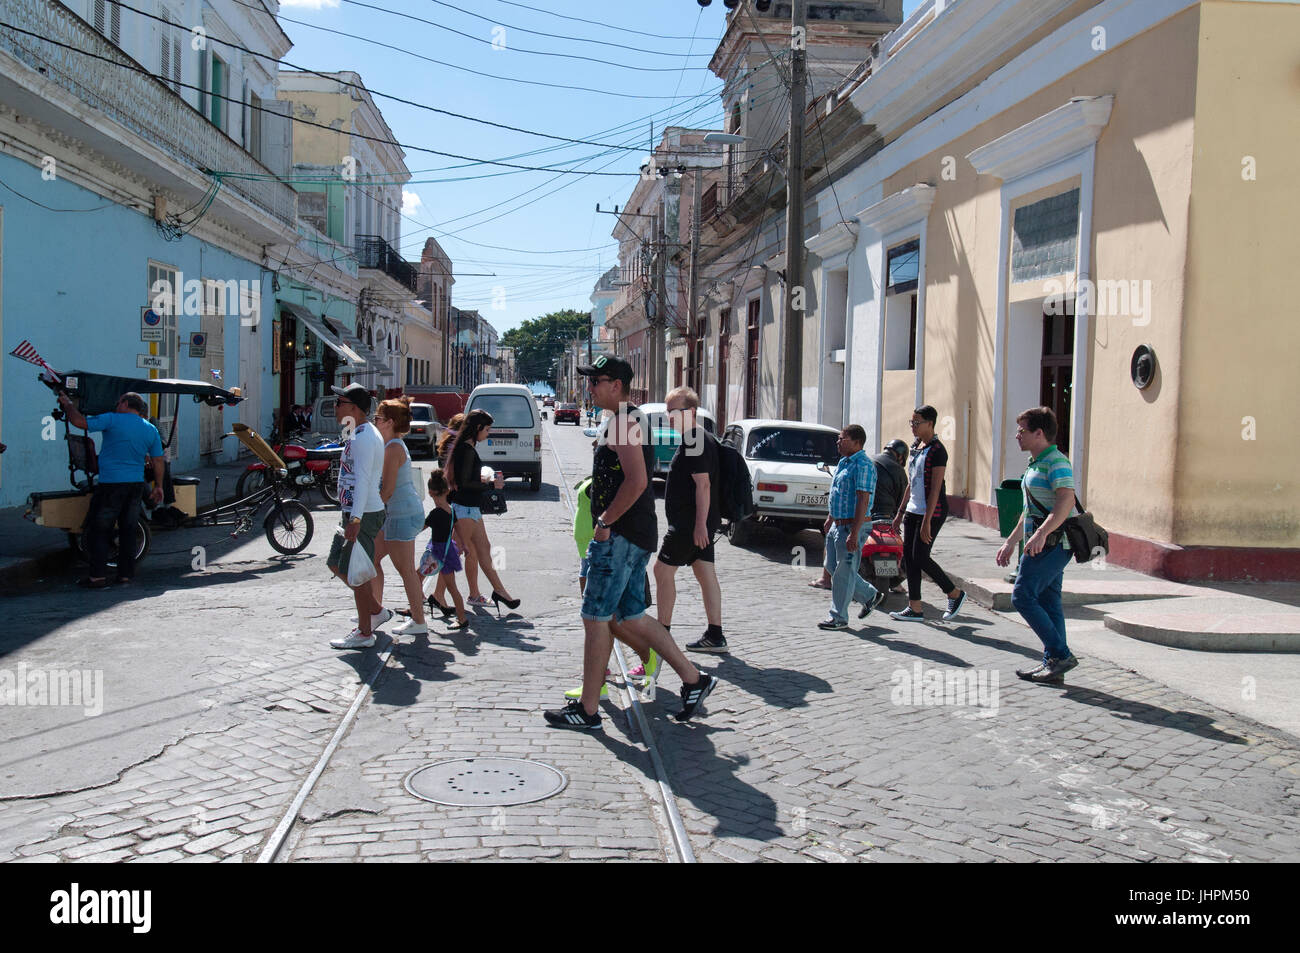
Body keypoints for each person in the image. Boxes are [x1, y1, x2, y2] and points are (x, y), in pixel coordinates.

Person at [543, 354, 717, 730]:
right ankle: (694, 679)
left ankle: (588, 710)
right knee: (628, 616)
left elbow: (637, 481)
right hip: (633, 534)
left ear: (616, 385)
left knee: (595, 617)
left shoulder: (624, 422)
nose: (589, 388)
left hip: (619, 536)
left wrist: (604, 522)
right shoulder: (624, 420)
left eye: (596, 381)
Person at [997, 406, 1081, 684]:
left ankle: (1060, 654)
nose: (1017, 435)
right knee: (1049, 601)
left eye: (1022, 430)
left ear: (1039, 433)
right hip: (1041, 542)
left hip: (1054, 543)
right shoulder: (1036, 463)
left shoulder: (1056, 461)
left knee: (1022, 596)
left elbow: (1066, 499)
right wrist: (1011, 541)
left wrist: (1042, 533)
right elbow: (1029, 509)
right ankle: (1053, 664)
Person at [57, 391, 164, 588]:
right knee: (128, 529)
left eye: (118, 402)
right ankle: (125, 575)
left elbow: (80, 422)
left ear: (124, 403)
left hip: (111, 484)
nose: (116, 405)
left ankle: (97, 576)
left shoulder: (112, 419)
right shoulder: (150, 429)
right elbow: (158, 460)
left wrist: (68, 404)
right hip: (135, 485)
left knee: (100, 529)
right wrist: (158, 486)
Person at [654, 386, 726, 654]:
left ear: (691, 411)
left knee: (661, 571)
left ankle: (663, 634)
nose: (670, 417)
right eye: (667, 412)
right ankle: (715, 635)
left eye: (675, 411)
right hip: (699, 524)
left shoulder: (695, 438)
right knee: (705, 573)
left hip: (688, 525)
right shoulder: (698, 437)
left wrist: (699, 526)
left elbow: (703, 485)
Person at [326, 383, 392, 649]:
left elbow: (364, 481)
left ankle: (365, 632)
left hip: (362, 514)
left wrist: (354, 520)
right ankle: (376, 611)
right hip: (356, 512)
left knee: (357, 573)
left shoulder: (365, 436)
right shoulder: (359, 432)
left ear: (354, 407)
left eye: (339, 402)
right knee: (338, 564)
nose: (335, 407)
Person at [890, 406, 966, 622]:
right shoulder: (916, 447)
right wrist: (900, 513)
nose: (913, 427)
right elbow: (911, 483)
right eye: (911, 423)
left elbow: (935, 489)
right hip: (913, 510)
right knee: (910, 559)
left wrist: (927, 522)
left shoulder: (938, 450)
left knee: (921, 556)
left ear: (930, 424)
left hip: (932, 511)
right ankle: (915, 608)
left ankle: (954, 593)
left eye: (917, 423)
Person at [439, 409, 519, 613]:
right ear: (477, 428)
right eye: (487, 429)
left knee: (482, 549)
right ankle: (436, 594)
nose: (488, 433)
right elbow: (465, 483)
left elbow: (466, 480)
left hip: (470, 508)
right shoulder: (466, 449)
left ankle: (500, 591)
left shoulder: (467, 447)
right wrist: (491, 484)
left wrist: (486, 482)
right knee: (453, 552)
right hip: (465, 508)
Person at [817, 425, 886, 630]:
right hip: (838, 524)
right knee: (831, 567)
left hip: (852, 526)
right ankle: (870, 595)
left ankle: (838, 617)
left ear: (856, 442)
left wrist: (854, 533)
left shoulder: (863, 465)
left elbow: (863, 499)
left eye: (842, 438)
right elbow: (837, 492)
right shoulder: (843, 462)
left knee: (844, 572)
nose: (838, 442)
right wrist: (830, 518)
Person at [371, 397, 428, 637]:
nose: (375, 421)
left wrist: (365, 511)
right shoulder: (390, 445)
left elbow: (387, 490)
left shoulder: (393, 448)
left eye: (378, 419)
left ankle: (418, 620)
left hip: (402, 514)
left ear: (390, 422)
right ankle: (375, 611)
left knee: (405, 570)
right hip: (400, 513)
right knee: (371, 558)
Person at [421, 470, 468, 629]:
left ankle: (462, 619)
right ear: (447, 491)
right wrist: (464, 544)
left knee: (418, 577)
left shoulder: (435, 513)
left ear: (430, 493)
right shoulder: (451, 510)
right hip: (448, 551)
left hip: (438, 554)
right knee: (450, 587)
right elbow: (459, 527)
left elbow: (420, 528)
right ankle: (417, 608)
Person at [873, 439, 910, 594]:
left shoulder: (870, 461)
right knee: (909, 552)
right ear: (901, 456)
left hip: (867, 515)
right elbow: (903, 499)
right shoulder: (900, 471)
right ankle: (895, 582)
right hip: (889, 517)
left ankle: (827, 578)